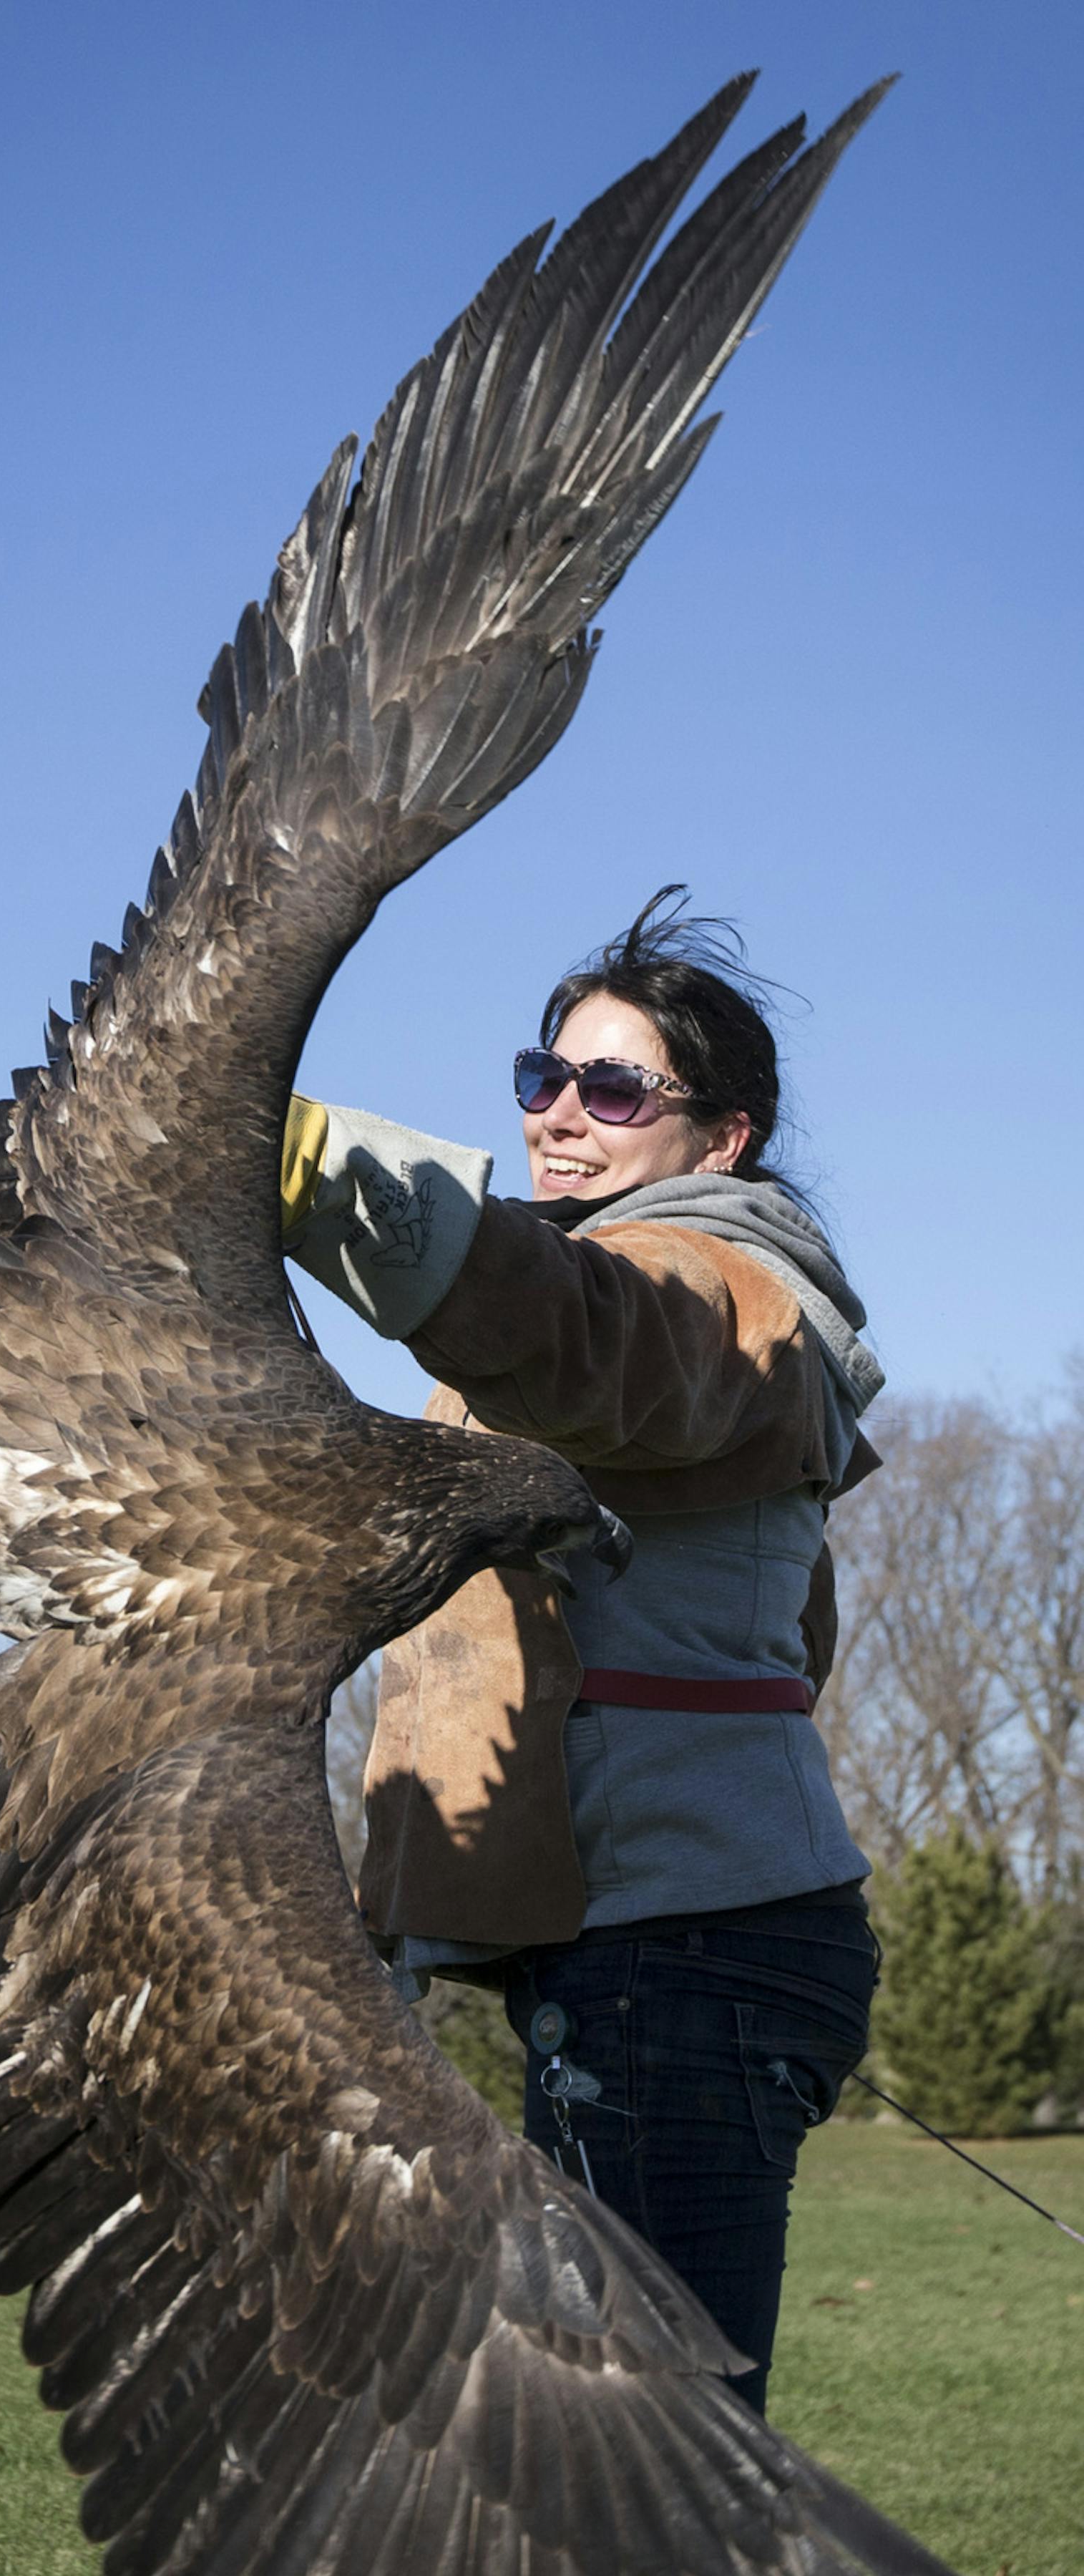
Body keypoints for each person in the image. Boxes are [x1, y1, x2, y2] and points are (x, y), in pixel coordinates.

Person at [282, 890, 882, 2426]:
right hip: (659, 1945)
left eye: (614, 1089)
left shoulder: (720, 1280)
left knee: (647, 2472)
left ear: (724, 1134)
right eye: (541, 1078)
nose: (561, 1114)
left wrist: (374, 1207)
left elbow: (608, 1343)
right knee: (606, 2470)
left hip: (686, 1955)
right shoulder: (618, 1269)